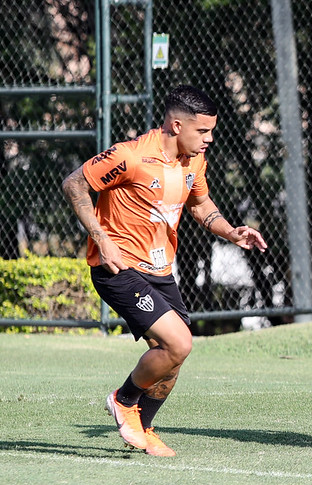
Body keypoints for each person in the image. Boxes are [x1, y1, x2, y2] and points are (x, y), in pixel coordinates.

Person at [62, 85, 267, 456]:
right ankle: (123, 401)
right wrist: (101, 238)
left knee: (172, 357)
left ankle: (145, 424)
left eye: (211, 131)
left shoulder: (193, 162)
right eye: (202, 131)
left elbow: (202, 207)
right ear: (176, 125)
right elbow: (74, 182)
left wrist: (232, 232)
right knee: (179, 342)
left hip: (161, 270)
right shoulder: (131, 155)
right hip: (117, 267)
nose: (209, 139)